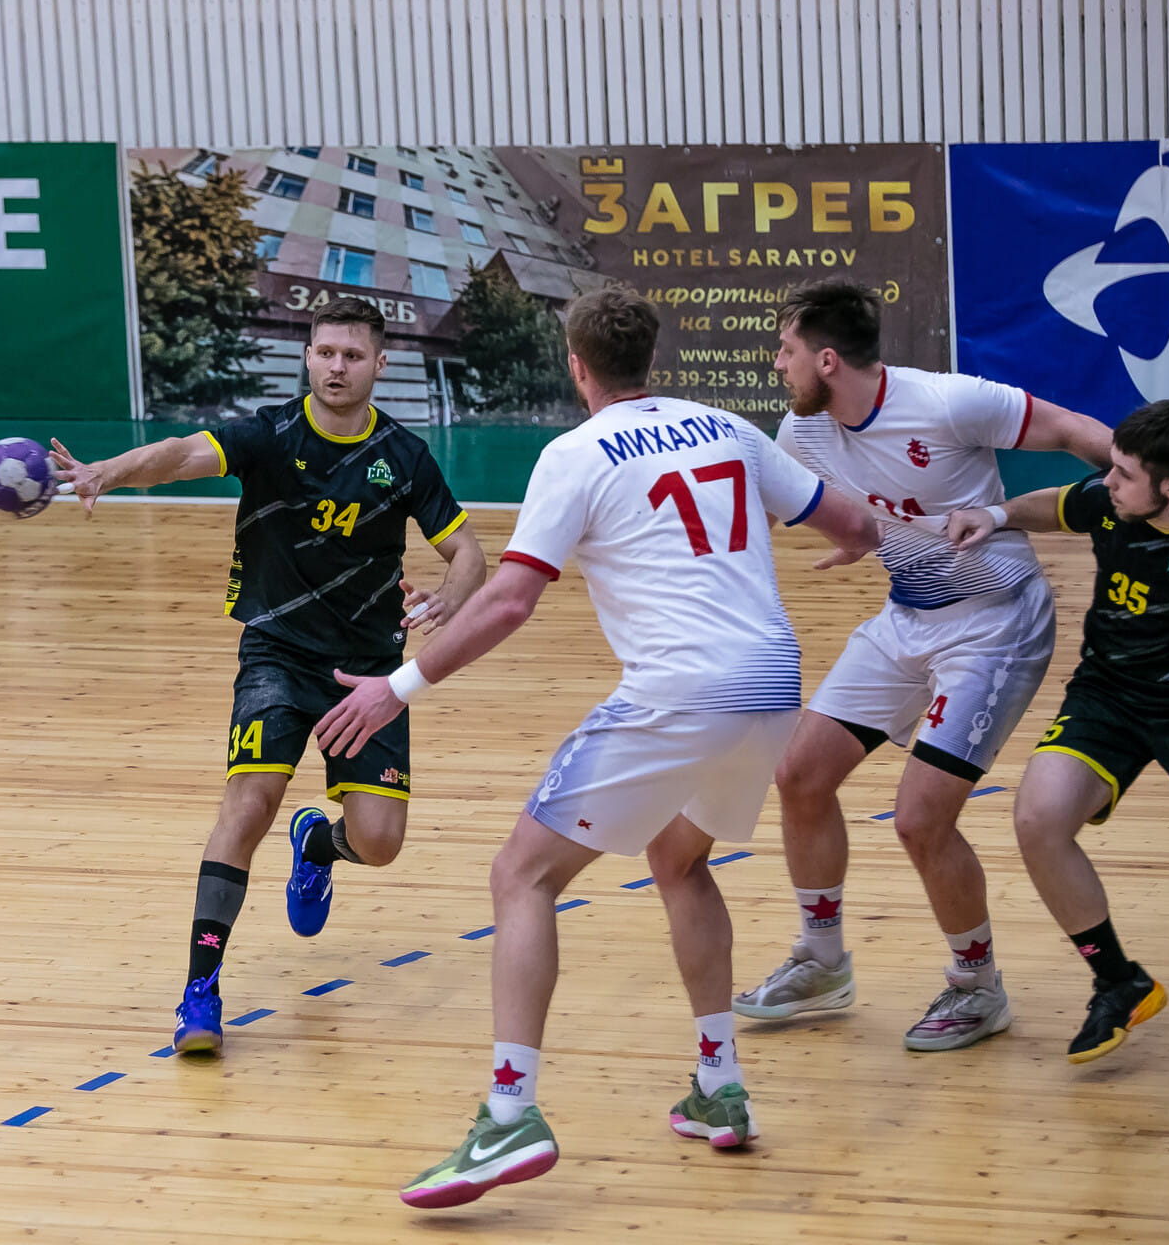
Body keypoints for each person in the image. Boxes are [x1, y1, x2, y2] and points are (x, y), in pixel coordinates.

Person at [314, 288, 880, 1207]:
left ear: (576, 365)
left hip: (680, 691)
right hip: (774, 685)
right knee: (679, 861)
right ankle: (720, 1084)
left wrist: (397, 687)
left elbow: (510, 599)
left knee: (521, 877)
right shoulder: (727, 428)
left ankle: (508, 1116)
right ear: (648, 358)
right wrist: (853, 544)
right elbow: (854, 525)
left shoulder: (574, 454)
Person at [51, 297, 486, 1055]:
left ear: (380, 364)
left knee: (380, 842)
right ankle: (200, 991)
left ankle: (318, 846)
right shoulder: (269, 434)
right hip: (277, 653)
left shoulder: (405, 455)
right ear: (308, 356)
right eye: (326, 353)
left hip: (368, 672)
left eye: (353, 355)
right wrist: (106, 473)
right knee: (248, 804)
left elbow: (469, 553)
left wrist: (451, 596)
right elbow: (180, 455)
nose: (337, 367)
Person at [733, 278, 1113, 1052]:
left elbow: (1081, 433)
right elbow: (770, 511)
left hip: (997, 624)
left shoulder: (949, 401)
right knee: (800, 776)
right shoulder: (801, 431)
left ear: (828, 360)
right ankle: (822, 960)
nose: (777, 363)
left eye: (786, 349)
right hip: (907, 618)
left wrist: (1155, 504)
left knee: (920, 818)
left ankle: (978, 988)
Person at [944, 400, 1169, 1061]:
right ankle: (1120, 982)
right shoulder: (1113, 501)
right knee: (1038, 820)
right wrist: (994, 515)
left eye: (1123, 474)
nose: (1106, 482)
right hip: (1108, 698)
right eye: (1110, 468)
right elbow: (1060, 504)